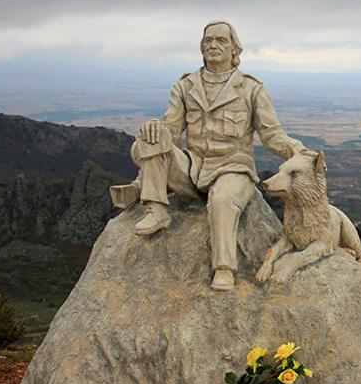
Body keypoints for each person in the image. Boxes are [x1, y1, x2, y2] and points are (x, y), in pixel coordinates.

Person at [109, 21, 307, 291]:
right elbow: (171, 129)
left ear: (234, 49)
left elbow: (272, 135)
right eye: (208, 41)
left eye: (221, 41)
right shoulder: (185, 86)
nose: (213, 45)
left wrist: (297, 150)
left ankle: (224, 268)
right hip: (194, 168)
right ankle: (156, 208)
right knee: (147, 140)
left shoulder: (251, 89)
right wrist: (156, 129)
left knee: (223, 200)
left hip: (233, 168)